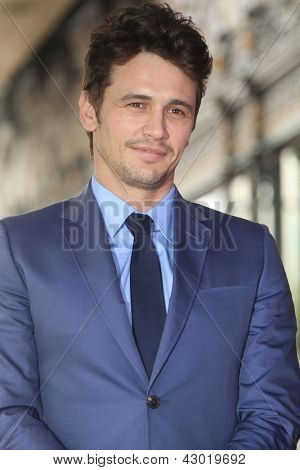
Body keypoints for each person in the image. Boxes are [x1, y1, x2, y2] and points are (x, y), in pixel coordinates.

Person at [0, 1, 299, 451]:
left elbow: (273, 409)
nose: (156, 130)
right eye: (136, 104)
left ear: (193, 121)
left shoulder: (251, 251)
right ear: (89, 110)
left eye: (176, 110)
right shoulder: (16, 249)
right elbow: (8, 410)